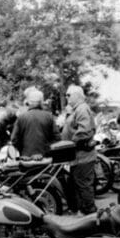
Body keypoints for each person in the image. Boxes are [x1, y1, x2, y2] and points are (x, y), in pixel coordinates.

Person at [61, 85, 97, 215]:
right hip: (78, 156)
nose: (66, 97)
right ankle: (86, 214)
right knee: (80, 186)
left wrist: (70, 143)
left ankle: (92, 215)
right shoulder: (77, 109)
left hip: (83, 156)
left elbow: (84, 131)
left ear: (77, 96)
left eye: (69, 95)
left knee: (84, 187)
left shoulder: (81, 109)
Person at [11, 88, 59, 157]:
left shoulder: (21, 117)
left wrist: (23, 150)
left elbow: (14, 139)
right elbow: (57, 138)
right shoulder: (49, 116)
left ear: (29, 102)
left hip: (26, 158)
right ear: (41, 102)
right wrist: (47, 148)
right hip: (45, 157)